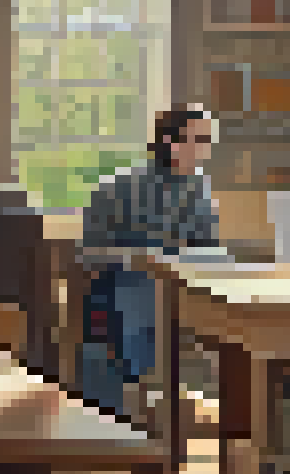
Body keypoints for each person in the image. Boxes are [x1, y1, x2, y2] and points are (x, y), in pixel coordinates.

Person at [76, 104, 223, 419]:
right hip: (127, 289)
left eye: (208, 140)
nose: (207, 149)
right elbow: (87, 255)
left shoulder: (199, 188)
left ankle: (231, 412)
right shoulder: (117, 188)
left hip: (182, 289)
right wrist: (138, 258)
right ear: (172, 142)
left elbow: (208, 247)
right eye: (200, 139)